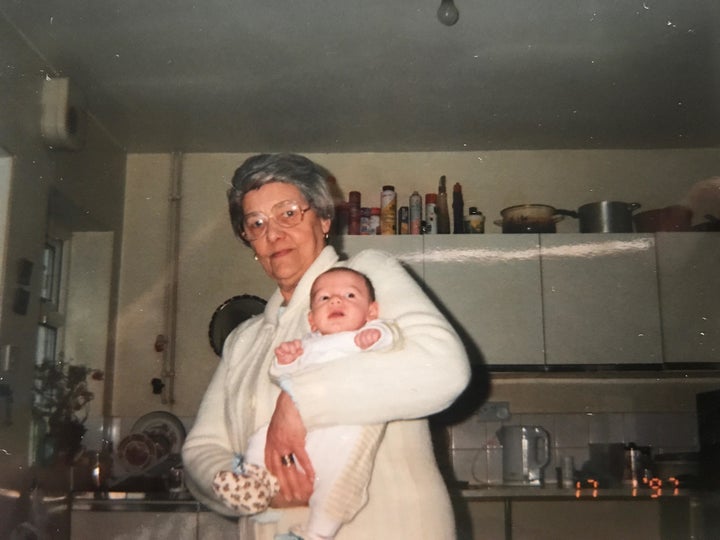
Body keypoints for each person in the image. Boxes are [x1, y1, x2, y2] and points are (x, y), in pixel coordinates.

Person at [182, 153, 471, 540]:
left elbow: (443, 368)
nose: (274, 233)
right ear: (249, 240)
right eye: (256, 223)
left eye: (288, 214)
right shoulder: (244, 340)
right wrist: (252, 493)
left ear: (323, 219)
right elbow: (203, 447)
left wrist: (298, 402)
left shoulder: (366, 280)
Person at [212, 267, 401, 540]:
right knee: (262, 438)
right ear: (312, 321)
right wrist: (286, 359)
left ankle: (314, 534)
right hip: (300, 436)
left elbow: (391, 337)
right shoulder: (308, 343)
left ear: (371, 312)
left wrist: (378, 336)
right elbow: (279, 374)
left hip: (344, 436)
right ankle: (253, 481)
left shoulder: (367, 334)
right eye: (324, 299)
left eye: (349, 295)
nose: (336, 301)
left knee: (337, 489)